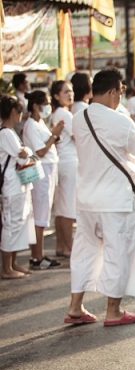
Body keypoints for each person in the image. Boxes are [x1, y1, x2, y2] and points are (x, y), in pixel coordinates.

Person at [65, 68, 135, 326]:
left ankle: (75, 306)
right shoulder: (120, 120)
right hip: (115, 200)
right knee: (119, 252)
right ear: (114, 91)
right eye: (121, 92)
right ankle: (113, 310)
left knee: (84, 251)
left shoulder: (79, 118)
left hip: (86, 199)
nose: (121, 97)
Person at [22, 90, 63, 270]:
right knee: (40, 214)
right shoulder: (31, 125)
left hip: (49, 169)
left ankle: (39, 254)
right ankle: (37, 256)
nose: (48, 107)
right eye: (45, 103)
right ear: (36, 106)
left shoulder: (40, 123)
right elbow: (40, 151)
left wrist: (53, 135)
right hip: (41, 171)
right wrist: (54, 135)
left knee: (43, 213)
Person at [0, 96, 35, 279]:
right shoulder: (5, 133)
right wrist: (27, 151)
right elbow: (22, 155)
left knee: (17, 224)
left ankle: (12, 264)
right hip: (11, 185)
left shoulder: (10, 132)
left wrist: (25, 151)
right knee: (11, 225)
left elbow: (22, 153)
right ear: (13, 112)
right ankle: (6, 268)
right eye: (19, 111)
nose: (21, 115)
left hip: (17, 184)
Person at [50, 80, 77, 258]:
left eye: (71, 91)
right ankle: (70, 248)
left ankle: (61, 246)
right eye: (66, 91)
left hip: (62, 162)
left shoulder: (59, 112)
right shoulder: (64, 114)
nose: (70, 94)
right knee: (67, 208)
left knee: (61, 208)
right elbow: (78, 136)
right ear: (56, 96)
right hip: (69, 162)